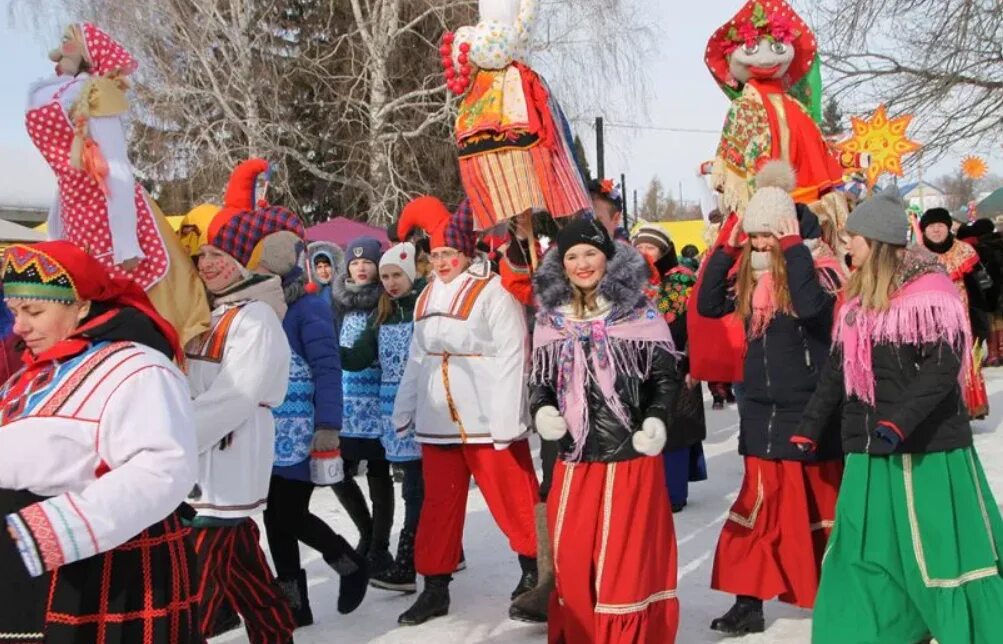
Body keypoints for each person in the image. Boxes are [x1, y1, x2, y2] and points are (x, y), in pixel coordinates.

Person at [793, 187, 1003, 644]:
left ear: (878, 242)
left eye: (855, 238)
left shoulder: (930, 292)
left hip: (927, 449)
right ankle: (875, 629)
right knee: (868, 550)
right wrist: (809, 428)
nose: (848, 246)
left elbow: (943, 367)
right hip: (870, 450)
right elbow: (837, 369)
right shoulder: (853, 297)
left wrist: (898, 422)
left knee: (937, 549)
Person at [0, 240, 199, 643]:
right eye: (15, 312)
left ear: (82, 306)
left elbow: (163, 467)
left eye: (35, 311)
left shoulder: (137, 367)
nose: (20, 326)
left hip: (84, 560)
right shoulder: (40, 369)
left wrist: (57, 529)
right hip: (21, 556)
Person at [697, 162, 845, 635]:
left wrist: (792, 248)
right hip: (761, 410)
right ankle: (749, 601)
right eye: (755, 237)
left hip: (809, 411)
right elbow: (706, 305)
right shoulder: (750, 277)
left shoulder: (820, 271)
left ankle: (836, 594)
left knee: (819, 509)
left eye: (768, 236)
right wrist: (727, 246)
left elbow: (809, 309)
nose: (761, 246)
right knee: (756, 510)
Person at [531, 218, 682, 642]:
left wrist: (655, 418)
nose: (582, 264)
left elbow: (665, 377)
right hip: (574, 458)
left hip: (628, 457)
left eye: (590, 253)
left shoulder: (639, 313)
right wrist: (541, 408)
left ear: (608, 258)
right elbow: (539, 379)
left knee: (623, 565)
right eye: (572, 256)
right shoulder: (550, 319)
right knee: (573, 558)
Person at [392, 196, 540, 625]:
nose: (440, 263)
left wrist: (509, 415)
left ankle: (536, 573)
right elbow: (417, 357)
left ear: (466, 253)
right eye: (435, 255)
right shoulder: (425, 298)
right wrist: (406, 406)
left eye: (448, 254)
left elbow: (514, 351)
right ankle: (434, 586)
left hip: (487, 416)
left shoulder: (493, 290)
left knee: (513, 495)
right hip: (438, 420)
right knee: (438, 504)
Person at [30, 22, 209, 347]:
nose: (61, 46)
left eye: (69, 40)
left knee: (129, 304)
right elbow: (65, 176)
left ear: (86, 53)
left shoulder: (94, 93)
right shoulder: (56, 94)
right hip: (78, 217)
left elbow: (116, 169)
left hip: (111, 214)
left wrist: (126, 242)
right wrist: (55, 235)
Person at [185, 200, 300, 644]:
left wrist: (176, 435)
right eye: (204, 256)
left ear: (243, 262)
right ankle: (276, 636)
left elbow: (238, 394)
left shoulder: (256, 318)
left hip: (223, 462)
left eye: (219, 255)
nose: (208, 264)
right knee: (244, 571)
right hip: (205, 463)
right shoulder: (211, 313)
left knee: (195, 591)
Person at [254, 230, 369, 624]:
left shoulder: (308, 309)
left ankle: (348, 562)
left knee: (288, 513)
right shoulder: (262, 309)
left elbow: (326, 367)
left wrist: (328, 425)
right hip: (268, 429)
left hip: (303, 429)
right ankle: (294, 603)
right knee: (274, 516)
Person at [341, 243, 426, 593]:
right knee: (414, 486)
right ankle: (441, 551)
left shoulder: (423, 309)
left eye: (396, 275)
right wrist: (325, 351)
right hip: (391, 409)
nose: (391, 282)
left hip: (424, 408)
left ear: (411, 275)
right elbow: (359, 356)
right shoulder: (383, 313)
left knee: (416, 487)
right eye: (387, 275)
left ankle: (407, 561)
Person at [331, 236, 396, 573]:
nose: (360, 267)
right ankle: (367, 532)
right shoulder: (337, 301)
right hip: (345, 402)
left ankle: (380, 546)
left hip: (376, 400)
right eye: (355, 262)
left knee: (378, 471)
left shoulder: (384, 303)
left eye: (367, 262)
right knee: (336, 471)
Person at [633, 224, 708, 513]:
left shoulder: (681, 281)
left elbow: (687, 325)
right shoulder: (630, 282)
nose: (644, 253)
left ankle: (674, 492)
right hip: (641, 369)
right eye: (640, 247)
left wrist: (692, 362)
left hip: (676, 365)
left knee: (674, 430)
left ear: (664, 251)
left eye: (650, 247)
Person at [921, 207, 991, 418]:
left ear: (948, 228)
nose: (936, 230)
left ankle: (968, 407)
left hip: (964, 318)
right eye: (931, 226)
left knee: (966, 360)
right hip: (930, 320)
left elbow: (981, 289)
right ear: (923, 230)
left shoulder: (965, 252)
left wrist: (981, 322)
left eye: (940, 225)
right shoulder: (918, 255)